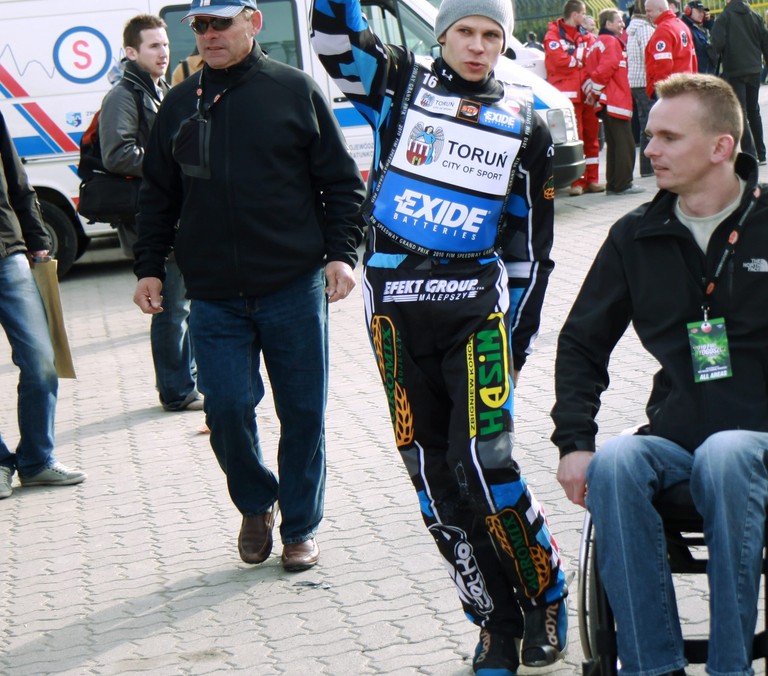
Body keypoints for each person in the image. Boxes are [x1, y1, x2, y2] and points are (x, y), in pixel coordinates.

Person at [552, 73, 768, 676]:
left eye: (667, 137)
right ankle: (654, 668)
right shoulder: (636, 236)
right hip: (680, 438)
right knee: (617, 462)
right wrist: (575, 441)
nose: (648, 149)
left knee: (727, 453)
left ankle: (731, 667)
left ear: (720, 147)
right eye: (649, 135)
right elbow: (580, 342)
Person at [311, 0, 570, 673]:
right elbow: (333, 36)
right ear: (444, 35)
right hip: (395, 312)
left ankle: (546, 593)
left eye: (492, 35)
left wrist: (517, 339)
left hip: (475, 312)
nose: (478, 46)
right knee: (432, 475)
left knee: (486, 462)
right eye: (465, 32)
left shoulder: (526, 118)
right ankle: (493, 622)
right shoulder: (399, 83)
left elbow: (532, 251)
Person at [133, 0, 366, 573]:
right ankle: (257, 502)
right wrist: (148, 267)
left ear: (252, 23)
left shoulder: (295, 91)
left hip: (293, 284)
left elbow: (341, 184)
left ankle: (302, 527)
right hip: (212, 293)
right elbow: (157, 195)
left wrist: (341, 255)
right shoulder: (179, 104)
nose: (209, 35)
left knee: (303, 412)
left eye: (221, 24)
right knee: (229, 409)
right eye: (200, 26)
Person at [101, 14, 200, 414]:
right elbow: (117, 153)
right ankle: (176, 391)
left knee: (182, 305)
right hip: (150, 218)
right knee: (171, 307)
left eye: (165, 44)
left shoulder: (155, 89)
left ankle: (185, 383)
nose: (164, 52)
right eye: (154, 46)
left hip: (169, 213)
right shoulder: (124, 95)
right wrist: (170, 160)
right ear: (131, 52)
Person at [0, 112, 88, 501]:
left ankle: (36, 461)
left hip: (8, 253)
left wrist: (37, 239)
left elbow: (17, 178)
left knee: (40, 361)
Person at [546, 0, 603, 195]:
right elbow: (556, 60)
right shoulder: (553, 34)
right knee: (576, 139)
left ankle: (593, 179)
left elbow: (592, 58)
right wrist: (578, 58)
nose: (586, 16)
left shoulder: (586, 36)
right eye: (584, 13)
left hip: (587, 92)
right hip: (567, 96)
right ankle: (576, 182)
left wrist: (573, 58)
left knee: (592, 137)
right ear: (576, 14)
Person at [710, 0, 768, 163]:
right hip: (755, 69)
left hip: (734, 71)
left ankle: (750, 154)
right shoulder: (755, 16)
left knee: (741, 112)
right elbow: (767, 46)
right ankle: (761, 153)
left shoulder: (724, 17)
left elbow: (716, 45)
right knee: (754, 110)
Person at [588, 8, 645, 195]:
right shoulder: (611, 42)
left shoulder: (599, 42)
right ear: (608, 24)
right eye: (619, 21)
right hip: (615, 100)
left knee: (614, 145)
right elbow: (606, 68)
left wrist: (595, 93)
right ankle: (623, 184)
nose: (622, 24)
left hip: (608, 100)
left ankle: (613, 184)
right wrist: (596, 91)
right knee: (625, 144)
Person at [626, 0, 656, 177]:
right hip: (645, 80)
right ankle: (647, 167)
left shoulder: (634, 27)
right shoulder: (645, 28)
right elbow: (649, 54)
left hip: (636, 80)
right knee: (649, 125)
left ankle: (646, 167)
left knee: (645, 122)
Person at [644, 0, 698, 98]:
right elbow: (693, 57)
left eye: (649, 11)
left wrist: (661, 90)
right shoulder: (682, 25)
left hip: (670, 90)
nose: (647, 15)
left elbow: (663, 64)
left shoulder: (663, 30)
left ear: (660, 10)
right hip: (686, 86)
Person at [681, 1, 716, 75]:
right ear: (688, 11)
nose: (701, 14)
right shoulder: (686, 29)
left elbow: (716, 35)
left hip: (706, 74)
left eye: (703, 12)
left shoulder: (698, 28)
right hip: (698, 76)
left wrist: (709, 22)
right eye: (699, 11)